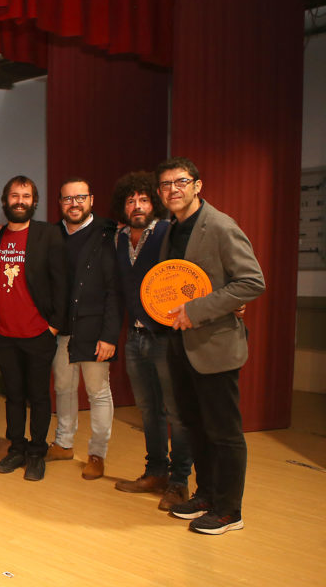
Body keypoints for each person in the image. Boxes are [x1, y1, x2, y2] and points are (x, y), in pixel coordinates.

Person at [157, 157, 265, 535]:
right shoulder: (173, 230)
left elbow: (252, 282)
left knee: (224, 431)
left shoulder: (220, 226)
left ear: (198, 186)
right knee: (195, 426)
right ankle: (205, 495)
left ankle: (228, 511)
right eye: (166, 184)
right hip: (181, 345)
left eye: (181, 181)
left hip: (215, 345)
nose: (174, 189)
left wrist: (198, 309)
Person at [110, 171, 192, 511]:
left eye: (143, 199)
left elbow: (190, 271)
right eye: (131, 201)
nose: (137, 206)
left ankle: (179, 482)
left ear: (154, 203)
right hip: (135, 337)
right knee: (148, 411)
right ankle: (155, 472)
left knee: (176, 411)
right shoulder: (118, 238)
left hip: (166, 338)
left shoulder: (166, 231)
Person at [0, 175, 68, 482]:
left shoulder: (48, 234)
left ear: (34, 202)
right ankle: (16, 448)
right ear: (5, 201)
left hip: (38, 334)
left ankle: (36, 453)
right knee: (14, 396)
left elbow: (61, 282)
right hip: (4, 334)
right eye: (14, 195)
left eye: (26, 196)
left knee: (39, 397)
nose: (20, 200)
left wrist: (55, 326)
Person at [48, 178, 120, 480]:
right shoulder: (52, 235)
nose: (74, 204)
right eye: (67, 199)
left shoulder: (109, 234)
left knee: (97, 392)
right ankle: (64, 443)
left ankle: (96, 454)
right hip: (61, 329)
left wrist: (109, 335)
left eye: (80, 198)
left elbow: (115, 290)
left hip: (94, 329)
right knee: (63, 388)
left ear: (91, 200)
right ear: (60, 203)